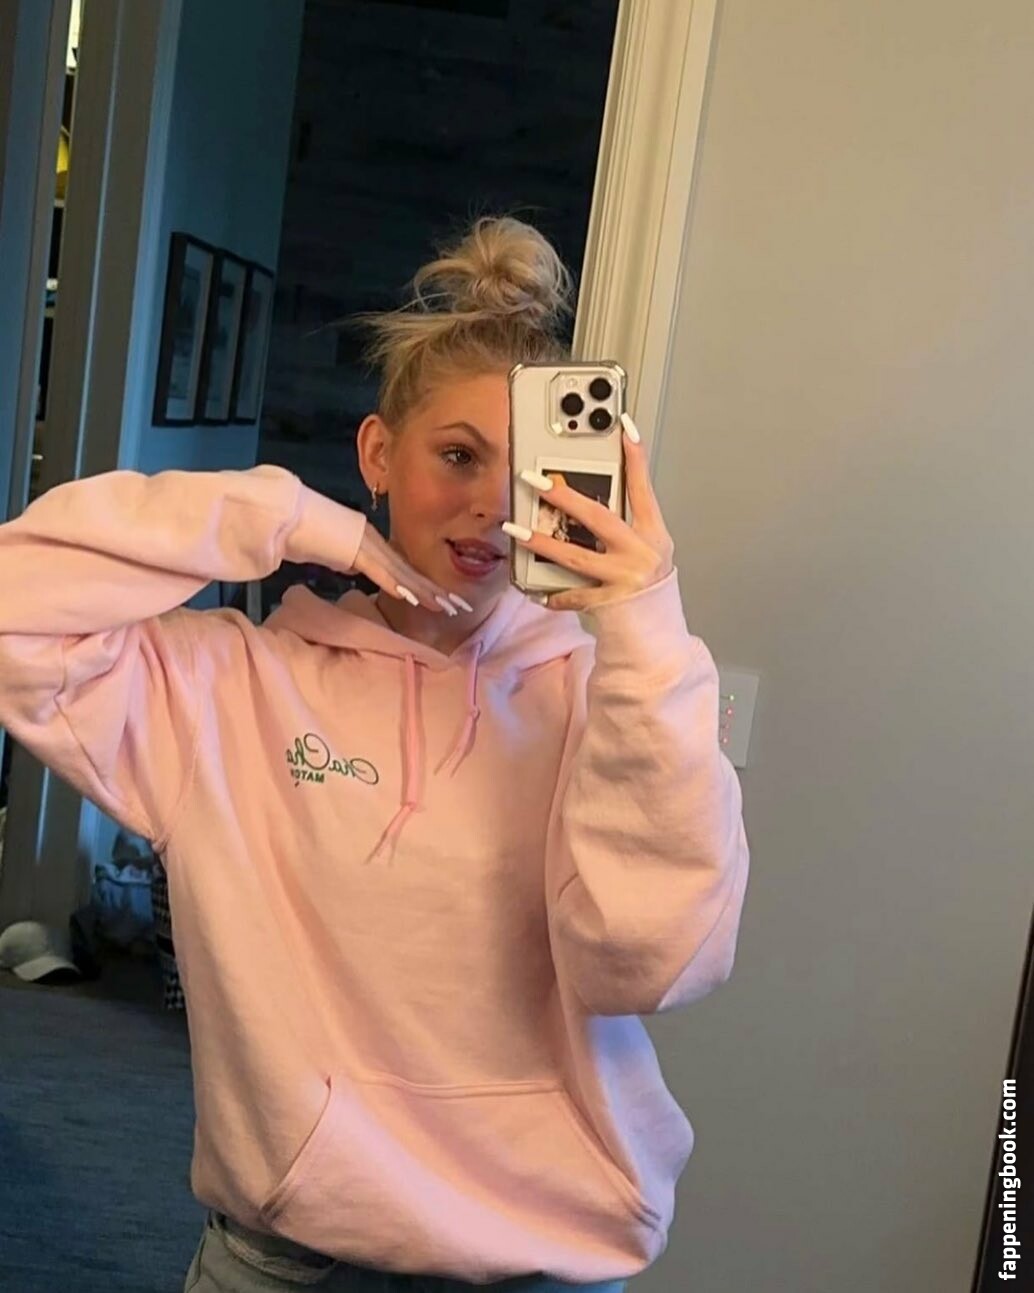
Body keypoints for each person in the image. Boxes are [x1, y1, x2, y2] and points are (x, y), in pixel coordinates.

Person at [0, 216, 750, 1292]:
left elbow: (648, 964)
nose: (491, 504)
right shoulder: (231, 687)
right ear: (377, 455)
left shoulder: (614, 697)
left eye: (528, 470)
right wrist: (289, 518)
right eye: (457, 455)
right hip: (288, 1258)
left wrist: (647, 624)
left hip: (546, 1261)